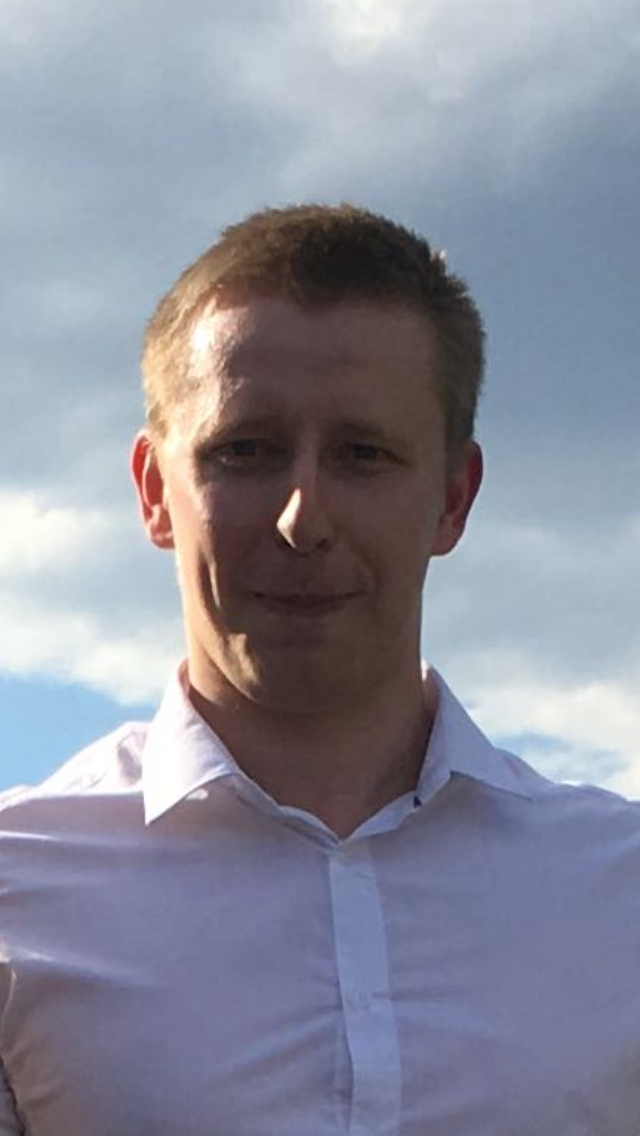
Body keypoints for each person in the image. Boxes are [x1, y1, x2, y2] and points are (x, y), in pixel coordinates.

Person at [1, 204, 639, 1136]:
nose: (303, 518)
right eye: (245, 451)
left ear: (453, 498)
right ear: (154, 491)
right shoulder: (18, 888)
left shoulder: (620, 894)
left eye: (362, 454)